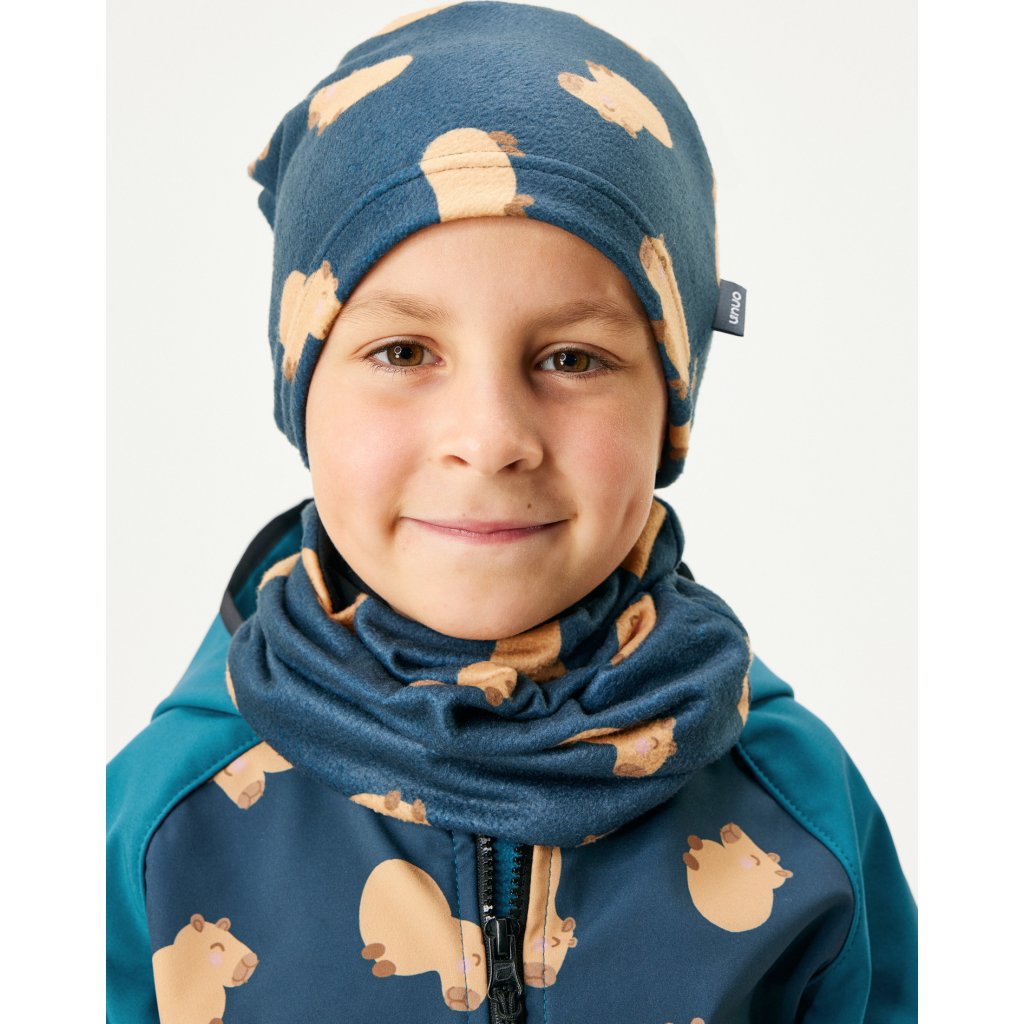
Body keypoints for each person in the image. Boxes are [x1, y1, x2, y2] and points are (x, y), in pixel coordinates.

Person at [106, 3, 917, 1021]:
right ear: (299, 393)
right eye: (404, 352)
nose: (490, 439)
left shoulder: (797, 807)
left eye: (571, 358)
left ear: (671, 403)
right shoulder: (163, 821)